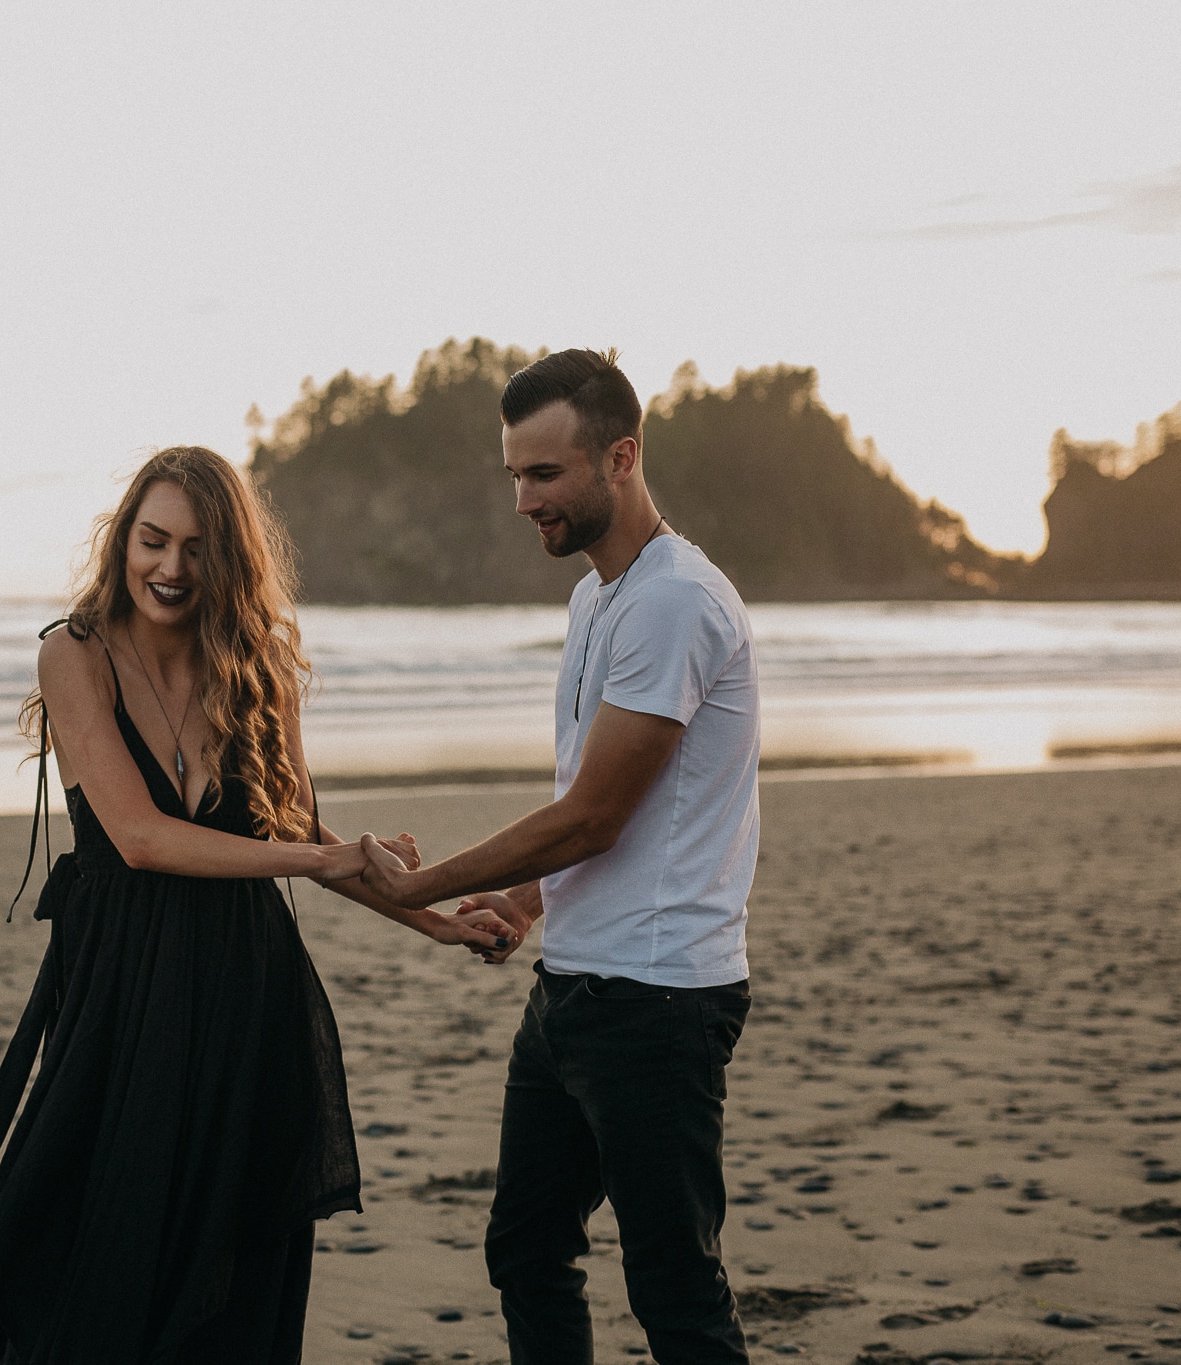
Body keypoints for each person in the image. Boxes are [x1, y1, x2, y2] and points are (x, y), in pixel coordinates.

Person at [0, 446, 513, 1363]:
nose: (170, 568)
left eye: (197, 549)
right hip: (122, 1000)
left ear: (229, 558)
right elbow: (140, 837)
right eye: (152, 541)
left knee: (237, 1274)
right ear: (123, 541)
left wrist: (432, 916)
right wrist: (327, 851)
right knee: (94, 1251)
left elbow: (302, 833)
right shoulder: (73, 656)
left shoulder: (256, 667)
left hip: (248, 994)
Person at [358, 350, 759, 1365]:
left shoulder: (674, 602)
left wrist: (421, 883)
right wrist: (526, 904)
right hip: (575, 990)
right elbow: (593, 810)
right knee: (526, 1248)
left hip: (657, 1000)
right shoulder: (595, 601)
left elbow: (593, 817)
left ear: (619, 458)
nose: (523, 500)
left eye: (544, 475)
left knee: (673, 1288)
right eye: (512, 476)